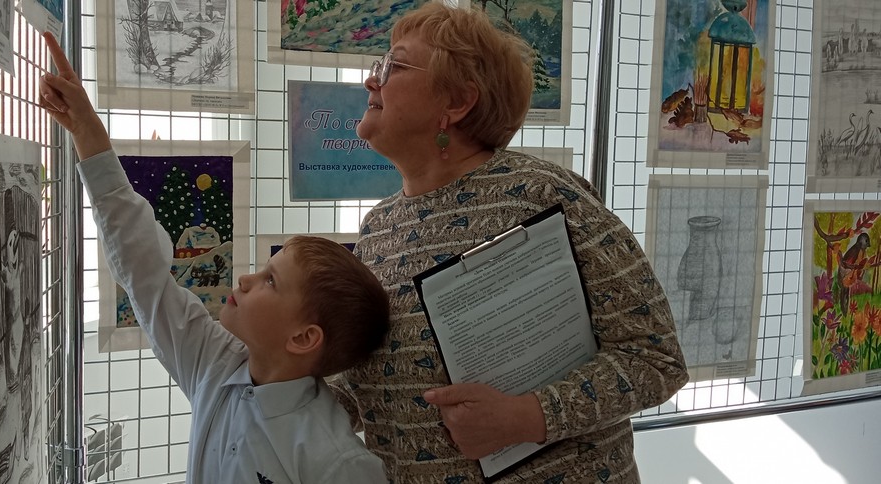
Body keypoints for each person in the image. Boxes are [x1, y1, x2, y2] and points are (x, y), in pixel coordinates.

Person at [330, 3, 690, 483]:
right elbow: (376, 385)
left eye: (394, 65)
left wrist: (526, 417)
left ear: (457, 102)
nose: (371, 81)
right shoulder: (377, 229)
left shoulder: (542, 194)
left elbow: (655, 358)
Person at [36, 32, 390, 483]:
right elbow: (144, 272)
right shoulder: (217, 362)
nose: (244, 280)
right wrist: (87, 131)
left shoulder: (337, 463)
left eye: (270, 280)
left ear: (303, 337)